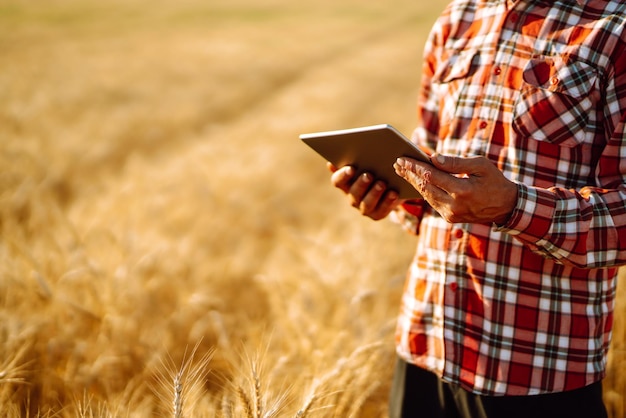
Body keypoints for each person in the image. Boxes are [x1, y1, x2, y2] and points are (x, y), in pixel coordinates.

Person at [328, 0, 626, 417]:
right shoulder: (458, 19)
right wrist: (392, 194)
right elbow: (429, 169)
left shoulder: (614, 29)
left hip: (537, 373)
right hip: (425, 345)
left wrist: (513, 206)